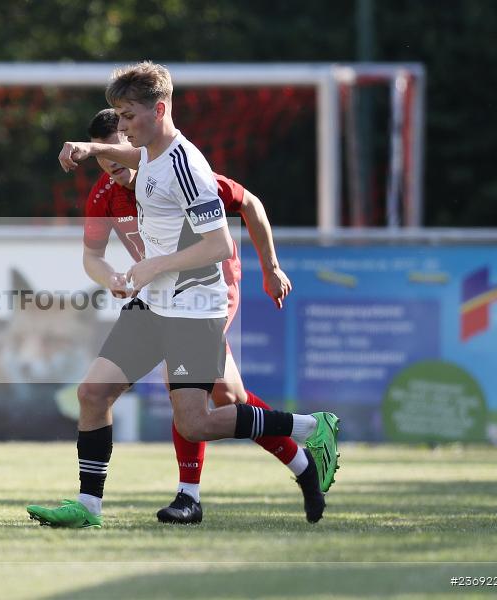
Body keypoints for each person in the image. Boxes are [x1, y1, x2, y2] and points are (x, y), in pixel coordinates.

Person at [26, 61, 339, 529]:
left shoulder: (189, 166)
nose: (125, 128)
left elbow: (220, 244)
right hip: (154, 302)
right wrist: (92, 148)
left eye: (128, 116)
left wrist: (155, 263)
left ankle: (311, 428)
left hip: (195, 304)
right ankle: (88, 507)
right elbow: (132, 163)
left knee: (197, 420)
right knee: (93, 393)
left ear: (159, 108)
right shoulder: (147, 153)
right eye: (119, 119)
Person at [81, 108, 322, 524]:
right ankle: (304, 460)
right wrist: (111, 278)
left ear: (133, 139)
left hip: (209, 291)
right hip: (159, 297)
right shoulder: (105, 194)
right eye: (107, 164)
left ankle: (188, 497)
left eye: (120, 158)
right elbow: (92, 258)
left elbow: (250, 204)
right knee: (227, 399)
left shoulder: (181, 173)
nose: (116, 171)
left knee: (185, 393)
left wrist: (271, 267)